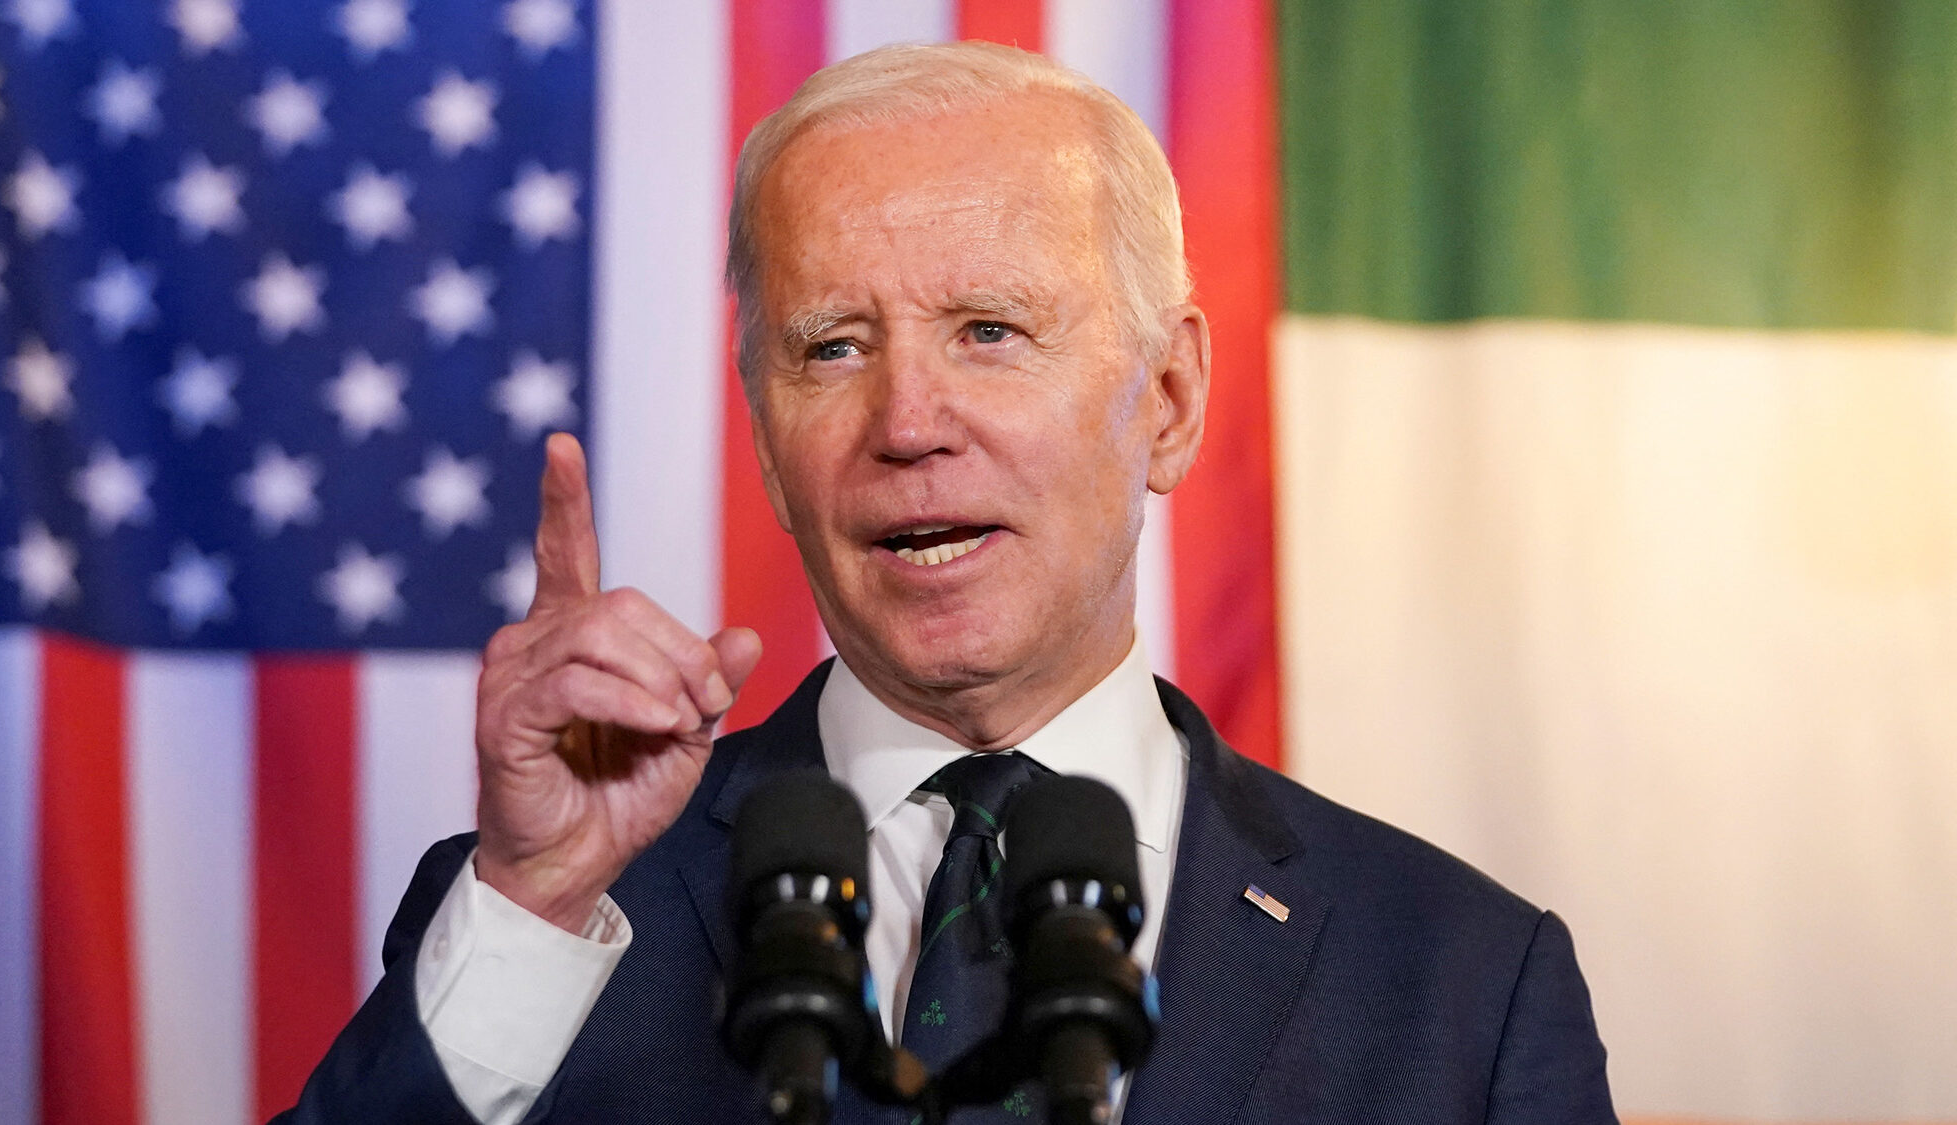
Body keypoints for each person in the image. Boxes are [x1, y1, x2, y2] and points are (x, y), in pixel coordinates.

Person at [277, 41, 1616, 1124]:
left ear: (1168, 396)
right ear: (763, 434)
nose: (909, 419)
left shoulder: (1462, 978)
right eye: (834, 347)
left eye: (989, 330)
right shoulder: (551, 908)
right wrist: (539, 901)